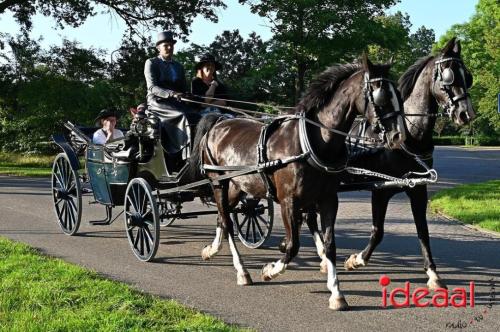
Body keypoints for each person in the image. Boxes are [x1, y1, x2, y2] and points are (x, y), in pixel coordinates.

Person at [144, 31, 198, 162]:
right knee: (183, 116)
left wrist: (187, 95)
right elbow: (152, 87)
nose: (169, 48)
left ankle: (199, 151)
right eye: (166, 45)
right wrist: (171, 93)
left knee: (197, 116)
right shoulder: (151, 63)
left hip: (176, 101)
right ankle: (186, 155)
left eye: (171, 45)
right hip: (157, 102)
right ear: (158, 48)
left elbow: (182, 88)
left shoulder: (178, 66)